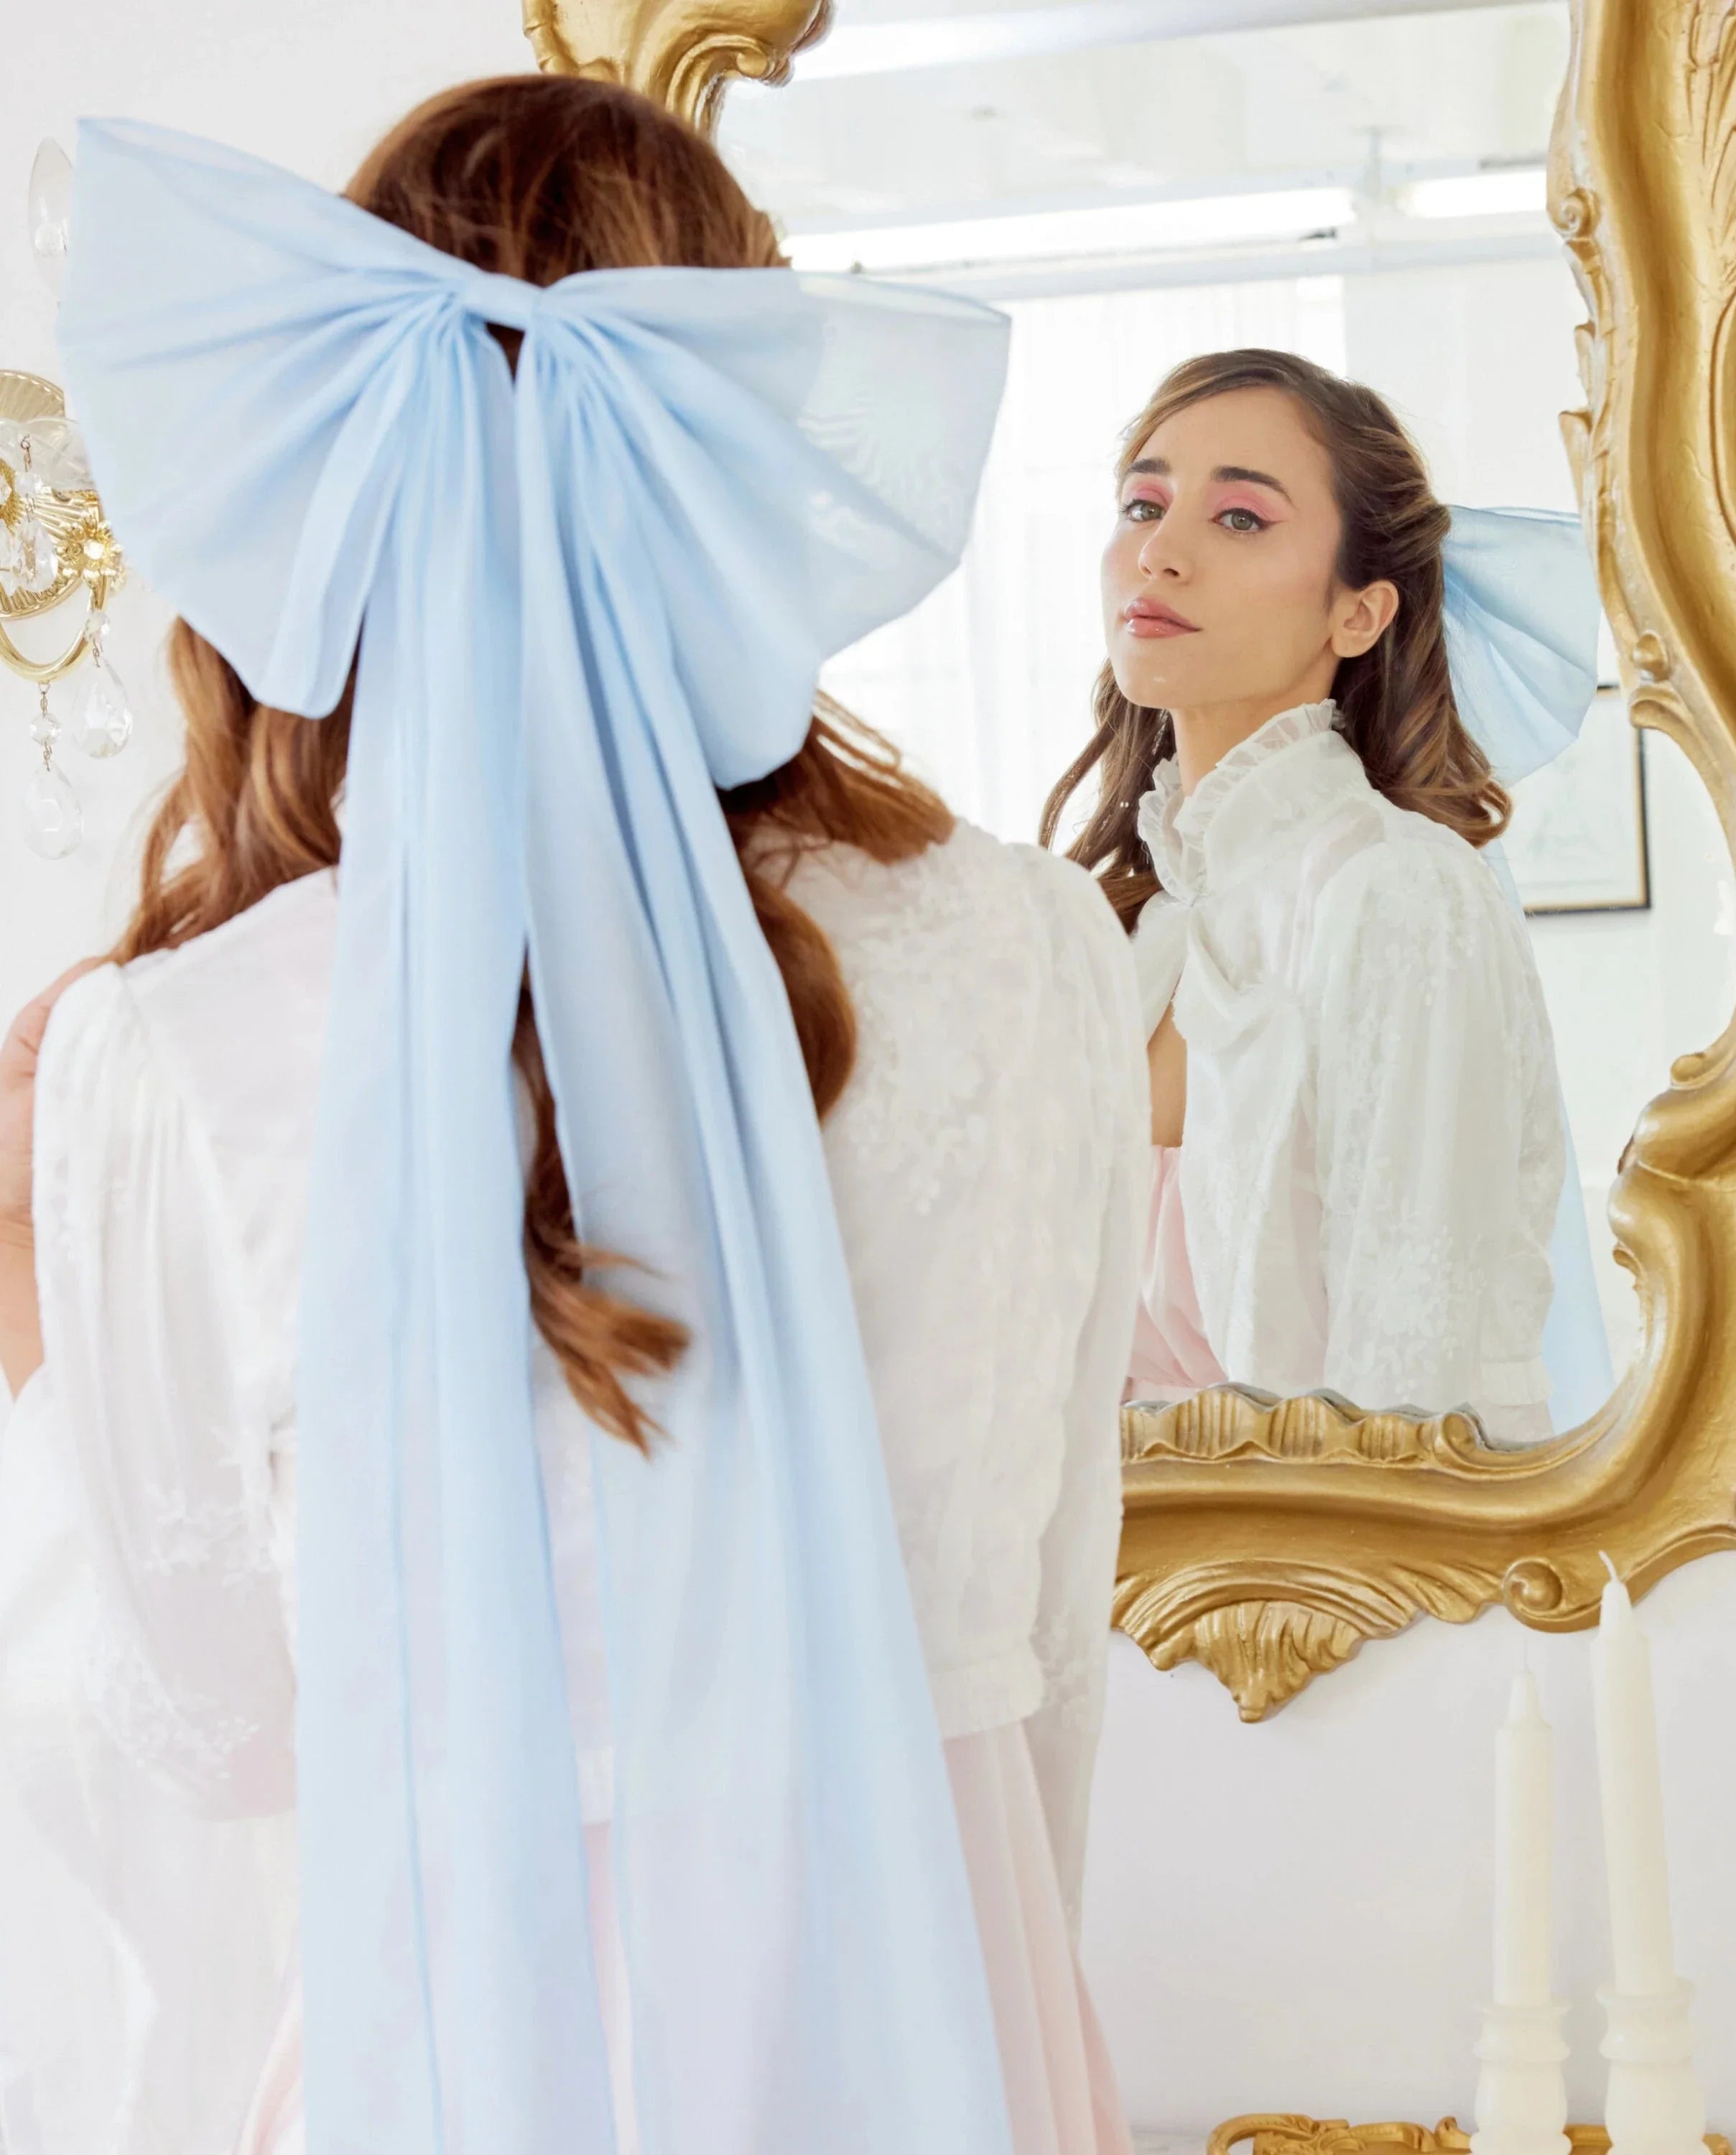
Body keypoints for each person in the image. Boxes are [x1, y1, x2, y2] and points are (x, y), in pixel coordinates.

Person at [0, 79, 1146, 2155]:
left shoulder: (175, 1047)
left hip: (462, 2056)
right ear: (745, 439)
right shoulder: (1045, 948)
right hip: (947, 2018)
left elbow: (205, 1739)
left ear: (332, 457)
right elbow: (1054, 1635)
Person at [1041, 348, 1601, 1439]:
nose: (1159, 552)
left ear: (1359, 613)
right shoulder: (1137, 929)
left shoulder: (1398, 892)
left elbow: (1408, 1394)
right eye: (1142, 503)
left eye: (1240, 519)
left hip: (1351, 1591)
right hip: (1135, 1595)